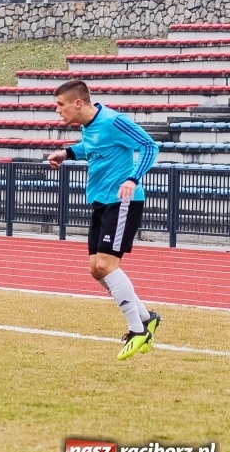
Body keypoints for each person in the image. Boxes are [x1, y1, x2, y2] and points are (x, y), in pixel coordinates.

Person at [46, 80, 161, 361]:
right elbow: (91, 145)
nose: (57, 111)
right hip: (100, 201)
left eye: (60, 105)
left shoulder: (113, 120)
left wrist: (133, 178)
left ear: (77, 103)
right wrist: (67, 153)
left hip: (121, 201)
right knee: (95, 270)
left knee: (105, 265)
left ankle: (138, 331)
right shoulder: (89, 124)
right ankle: (147, 317)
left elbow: (149, 146)